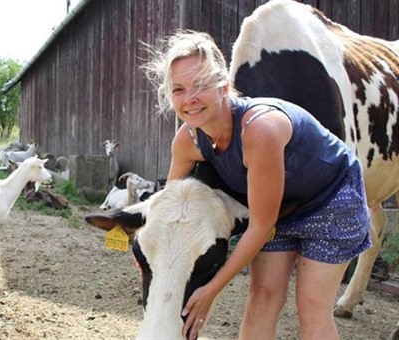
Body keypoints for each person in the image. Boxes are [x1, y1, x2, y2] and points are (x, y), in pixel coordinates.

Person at [140, 29, 371, 340]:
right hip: (280, 208)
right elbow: (167, 215)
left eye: (201, 85)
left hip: (332, 199)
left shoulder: (258, 130)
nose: (189, 99)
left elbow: (260, 226)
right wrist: (146, 251)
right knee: (261, 298)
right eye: (178, 89)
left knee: (312, 306)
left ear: (224, 86)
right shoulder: (187, 140)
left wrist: (210, 291)